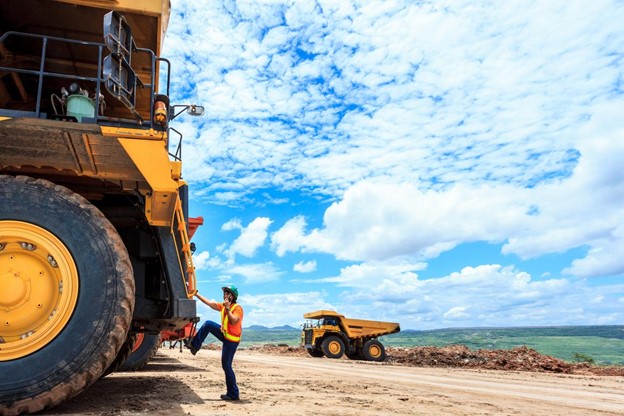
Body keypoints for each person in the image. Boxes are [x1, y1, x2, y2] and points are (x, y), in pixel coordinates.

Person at [185, 285, 243, 401]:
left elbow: (234, 320)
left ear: (231, 296)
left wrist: (227, 308)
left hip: (232, 341)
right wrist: (195, 293)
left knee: (226, 366)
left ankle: (233, 394)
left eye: (226, 293)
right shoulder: (223, 306)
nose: (224, 295)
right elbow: (209, 303)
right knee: (208, 324)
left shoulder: (237, 308)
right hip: (225, 335)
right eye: (224, 292)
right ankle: (195, 346)